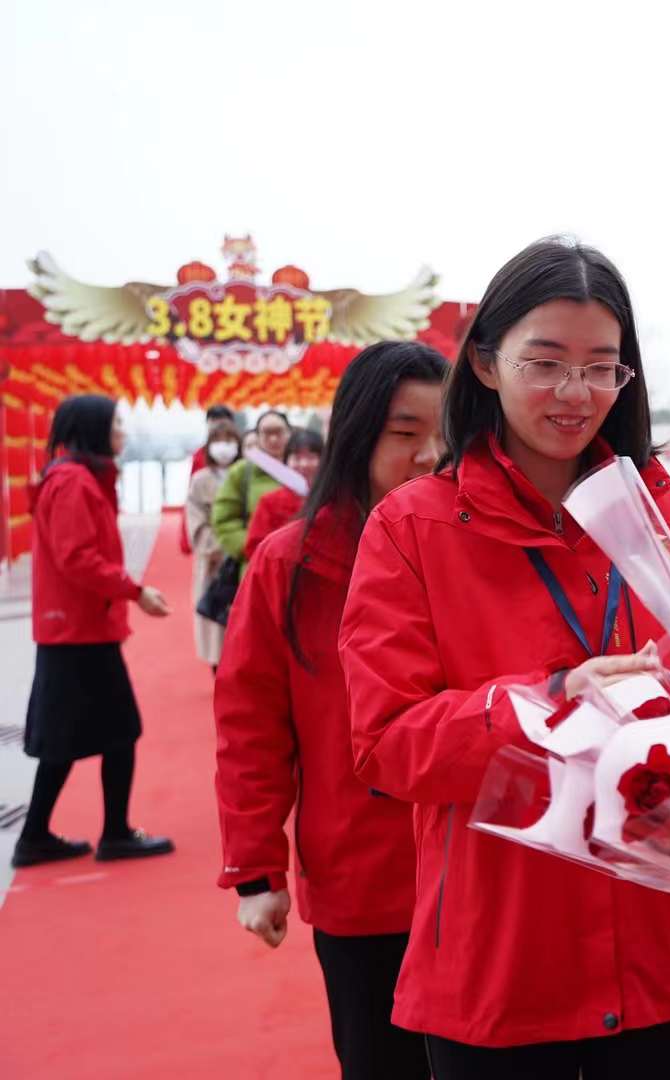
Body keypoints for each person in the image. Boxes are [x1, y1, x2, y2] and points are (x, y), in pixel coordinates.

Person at [339, 238, 670, 1080]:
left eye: (603, 368)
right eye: (548, 362)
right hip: (499, 974)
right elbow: (385, 743)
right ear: (487, 363)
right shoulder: (413, 529)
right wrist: (553, 703)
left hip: (661, 964)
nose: (576, 394)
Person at [215, 342, 448, 1080]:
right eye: (405, 434)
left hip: (481, 875)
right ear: (357, 436)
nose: (429, 457)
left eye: (446, 436)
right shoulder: (292, 562)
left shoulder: (474, 549)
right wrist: (256, 870)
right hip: (362, 881)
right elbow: (252, 724)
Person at [12, 394, 177, 868]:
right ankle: (114, 834)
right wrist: (134, 590)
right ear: (93, 428)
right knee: (119, 731)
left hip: (78, 628)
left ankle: (37, 835)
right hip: (78, 631)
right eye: (116, 424)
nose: (122, 432)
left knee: (70, 738)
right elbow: (77, 557)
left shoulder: (77, 479)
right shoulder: (73, 483)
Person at [186, 419, 242, 668]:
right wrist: (222, 546)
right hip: (214, 562)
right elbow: (195, 522)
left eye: (229, 441)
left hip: (245, 557)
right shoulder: (200, 480)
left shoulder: (247, 473)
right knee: (216, 623)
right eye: (218, 441)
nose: (223, 447)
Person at [210, 409, 291, 565]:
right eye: (267, 433)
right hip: (257, 565)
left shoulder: (304, 469)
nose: (273, 439)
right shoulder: (242, 471)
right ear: (258, 437)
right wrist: (250, 548)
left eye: (279, 432)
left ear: (289, 433)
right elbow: (224, 519)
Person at [244, 427, 324, 560]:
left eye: (311, 457)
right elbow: (254, 548)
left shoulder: (334, 499)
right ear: (286, 461)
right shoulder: (270, 502)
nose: (304, 464)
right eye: (297, 458)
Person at [181, 404, 237, 556]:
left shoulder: (243, 465)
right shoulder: (200, 456)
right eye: (213, 422)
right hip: (211, 540)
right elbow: (193, 497)